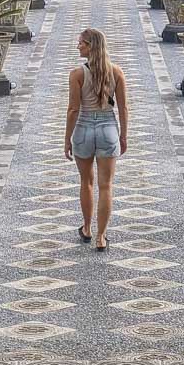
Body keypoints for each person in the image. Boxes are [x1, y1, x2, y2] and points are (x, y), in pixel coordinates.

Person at [64, 28, 128, 251]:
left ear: (91, 46)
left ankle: (87, 228)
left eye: (81, 42)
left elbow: (73, 110)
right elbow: (123, 108)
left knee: (86, 182)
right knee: (106, 185)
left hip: (83, 127)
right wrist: (123, 135)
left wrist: (67, 139)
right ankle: (101, 237)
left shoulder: (77, 74)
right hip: (108, 128)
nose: (78, 46)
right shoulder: (116, 72)